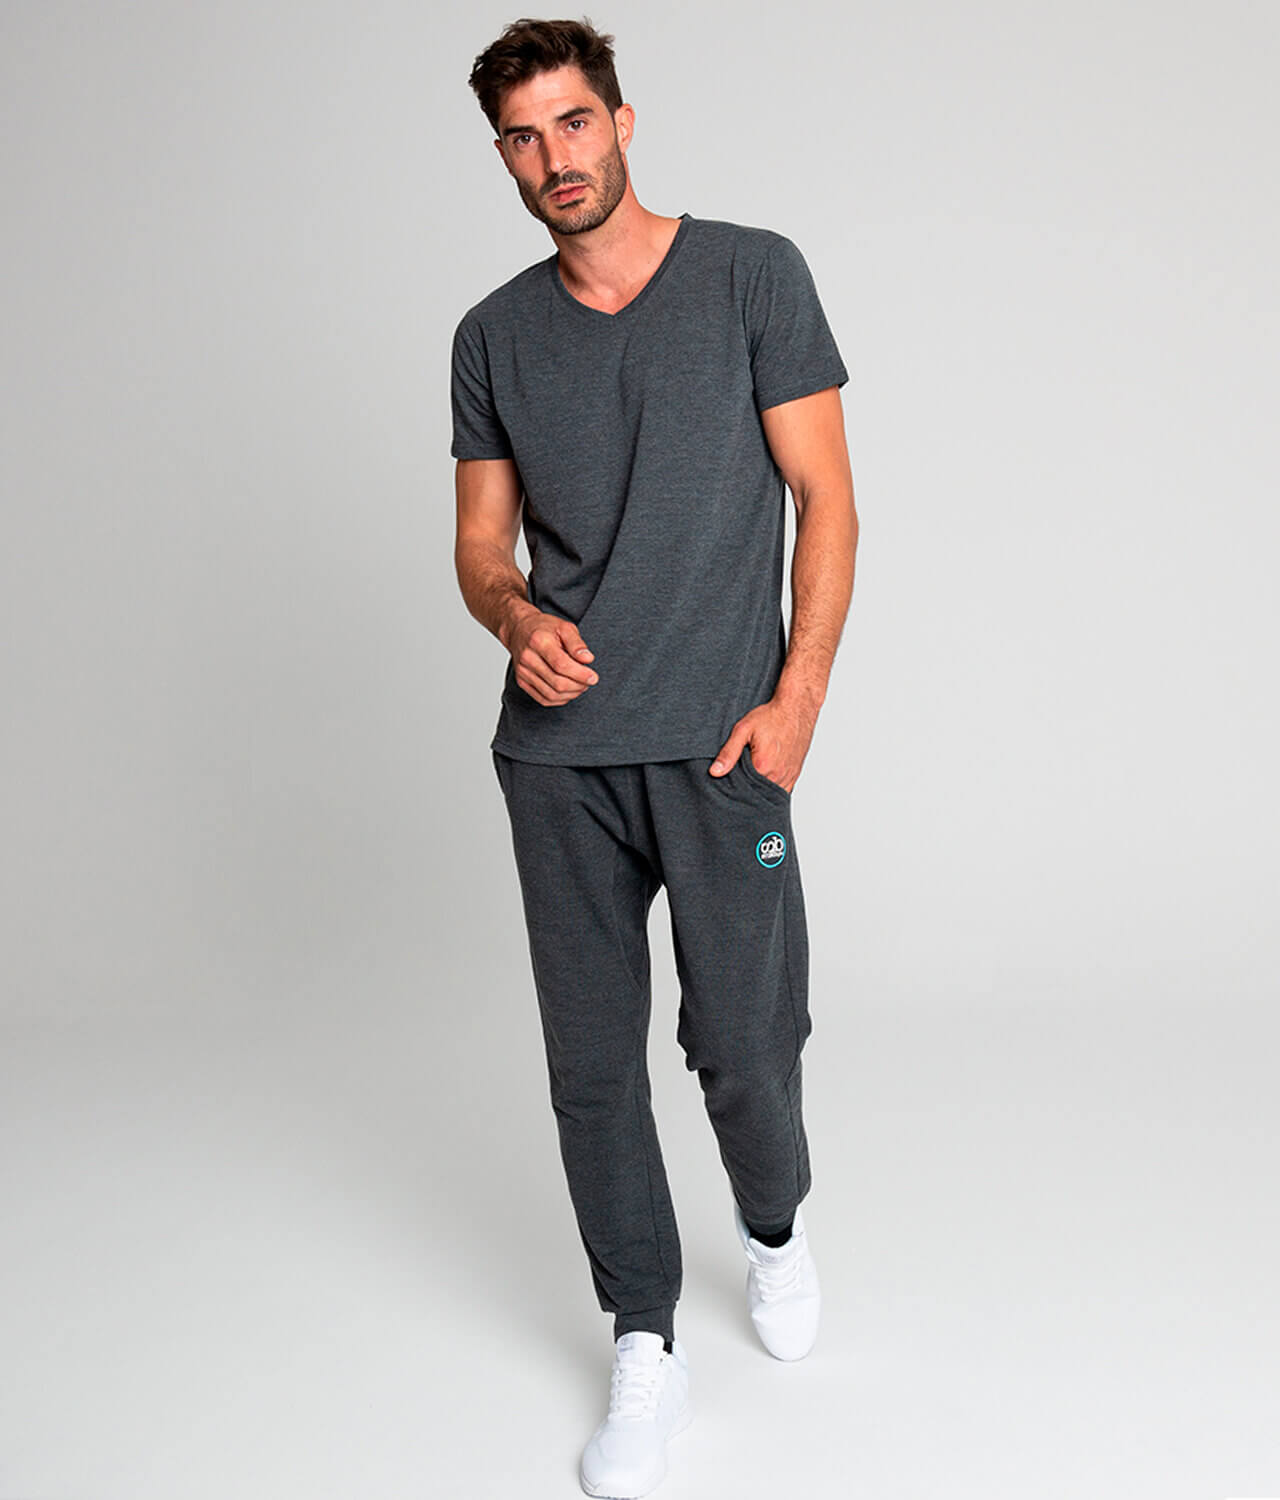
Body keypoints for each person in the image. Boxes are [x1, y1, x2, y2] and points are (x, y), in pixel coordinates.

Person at [451, 18, 857, 1498]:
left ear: (622, 122)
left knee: (746, 1046)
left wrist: (797, 700)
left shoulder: (754, 275)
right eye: (522, 137)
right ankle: (644, 1338)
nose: (552, 158)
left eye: (572, 123)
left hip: (724, 746)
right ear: (504, 156)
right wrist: (514, 618)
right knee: (591, 1068)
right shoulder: (491, 336)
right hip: (561, 761)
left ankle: (774, 1226)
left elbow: (828, 501)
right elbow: (480, 549)